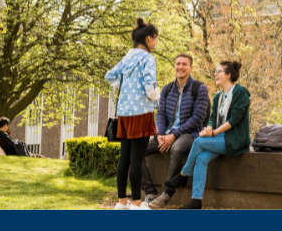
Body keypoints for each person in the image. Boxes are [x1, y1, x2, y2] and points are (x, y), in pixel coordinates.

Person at [163, 60, 251, 210]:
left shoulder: (240, 93)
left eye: (219, 71)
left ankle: (183, 175)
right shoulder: (218, 96)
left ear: (228, 75)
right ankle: (196, 201)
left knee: (198, 142)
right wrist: (209, 128)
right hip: (219, 139)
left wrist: (214, 132)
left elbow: (234, 120)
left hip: (234, 139)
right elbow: (211, 118)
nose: (215, 74)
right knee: (201, 158)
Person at [142, 53, 210, 209]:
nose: (180, 67)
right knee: (136, 150)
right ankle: (150, 191)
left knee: (177, 148)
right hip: (166, 134)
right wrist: (159, 134)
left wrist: (174, 135)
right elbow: (160, 115)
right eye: (178, 63)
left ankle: (167, 193)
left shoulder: (199, 88)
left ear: (191, 68)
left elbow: (198, 118)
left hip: (189, 134)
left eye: (184, 64)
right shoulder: (167, 89)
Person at [105, 18, 160, 210]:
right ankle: (137, 203)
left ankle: (121, 203)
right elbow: (149, 87)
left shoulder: (127, 57)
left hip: (124, 113)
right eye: (155, 39)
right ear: (148, 38)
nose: (156, 43)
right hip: (141, 113)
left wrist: (124, 86)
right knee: (137, 159)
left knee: (125, 158)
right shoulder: (148, 58)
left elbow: (110, 75)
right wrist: (157, 96)